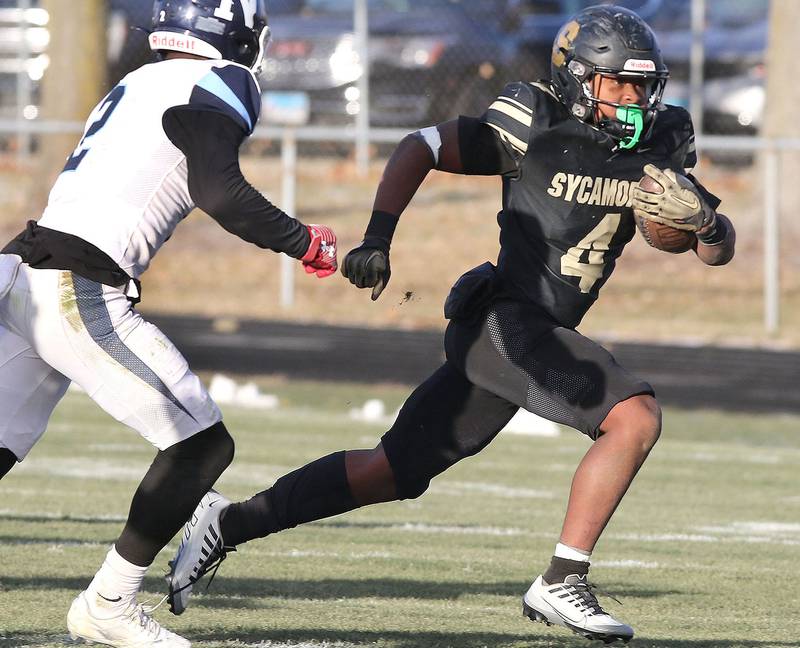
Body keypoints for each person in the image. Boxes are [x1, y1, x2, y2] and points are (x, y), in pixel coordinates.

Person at [166, 4, 735, 644]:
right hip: (500, 319)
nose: (633, 99)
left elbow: (712, 248)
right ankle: (561, 581)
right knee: (634, 418)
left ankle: (226, 524)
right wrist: (378, 239)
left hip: (533, 335)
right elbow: (423, 146)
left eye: (642, 85)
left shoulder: (662, 138)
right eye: (618, 84)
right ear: (578, 78)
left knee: (393, 472)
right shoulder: (534, 120)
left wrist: (704, 225)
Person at [0, 1, 337, 646]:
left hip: (23, 270)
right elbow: (220, 191)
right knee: (202, 445)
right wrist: (307, 242)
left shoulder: (140, 78)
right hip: (78, 283)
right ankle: (110, 602)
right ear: (235, 32)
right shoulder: (221, 79)